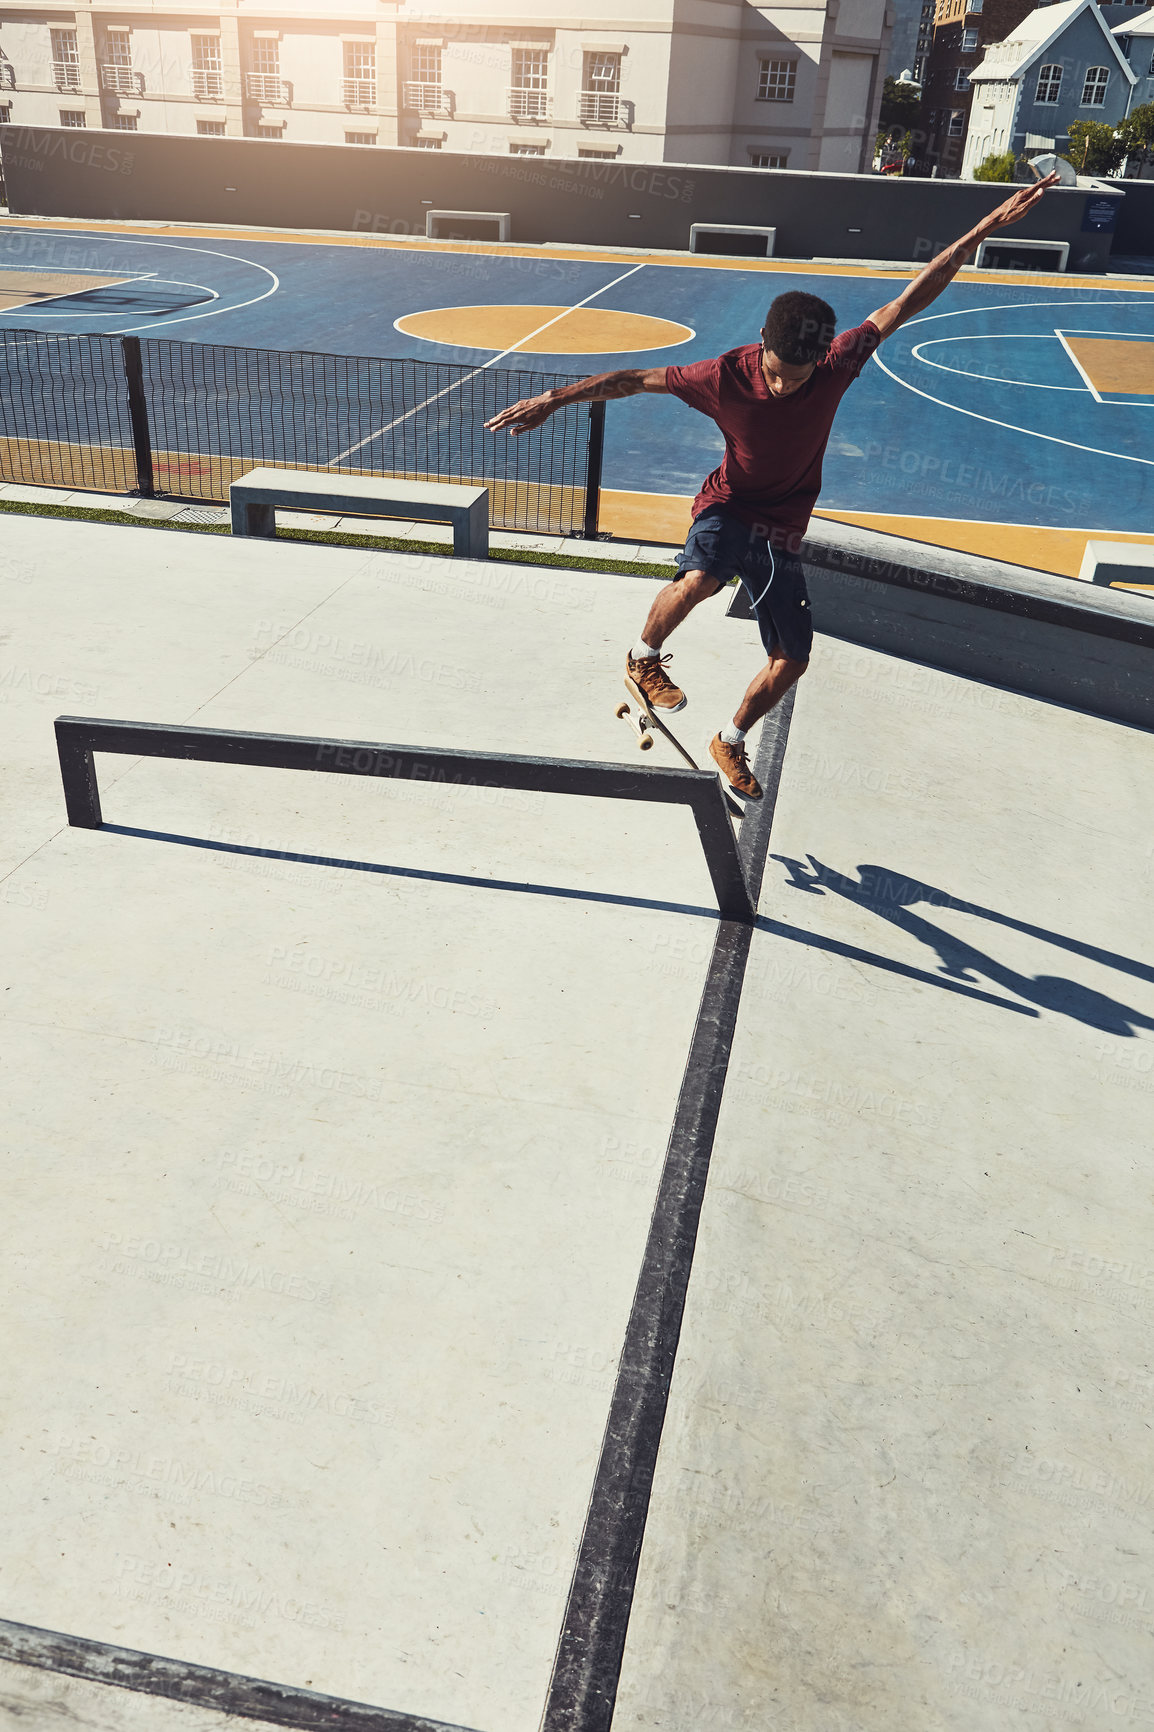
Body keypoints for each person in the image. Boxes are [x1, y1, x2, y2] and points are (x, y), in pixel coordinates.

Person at [486, 176, 1058, 797]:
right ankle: (642, 655)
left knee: (793, 658)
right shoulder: (721, 376)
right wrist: (554, 397)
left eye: (799, 377)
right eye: (778, 375)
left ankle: (729, 741)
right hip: (728, 503)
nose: (786, 387)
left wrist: (982, 230)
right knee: (703, 578)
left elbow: (908, 299)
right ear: (762, 346)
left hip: (783, 526)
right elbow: (632, 378)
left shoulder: (837, 363)